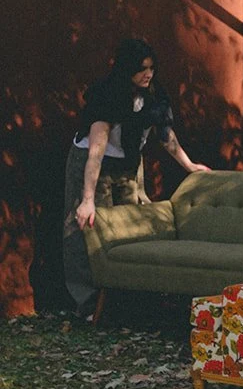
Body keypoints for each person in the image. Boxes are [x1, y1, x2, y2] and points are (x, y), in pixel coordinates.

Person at [63, 36, 210, 314]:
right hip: (93, 163)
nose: (148, 74)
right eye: (142, 68)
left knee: (130, 223)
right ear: (127, 68)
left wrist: (189, 166)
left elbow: (166, 136)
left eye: (152, 68)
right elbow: (96, 150)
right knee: (88, 225)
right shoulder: (107, 94)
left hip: (128, 162)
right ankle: (90, 302)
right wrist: (87, 199)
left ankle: (125, 299)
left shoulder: (153, 95)